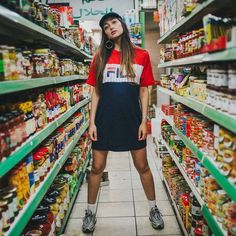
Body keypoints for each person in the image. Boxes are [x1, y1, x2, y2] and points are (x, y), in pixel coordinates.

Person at [82, 12, 164, 233]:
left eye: (114, 22)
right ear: (105, 33)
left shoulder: (142, 55)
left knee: (143, 166)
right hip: (104, 120)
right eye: (106, 26)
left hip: (131, 120)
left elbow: (145, 90)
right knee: (97, 167)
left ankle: (154, 208)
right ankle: (90, 212)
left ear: (122, 24)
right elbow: (96, 93)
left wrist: (144, 120)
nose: (111, 27)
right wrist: (92, 123)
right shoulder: (100, 56)